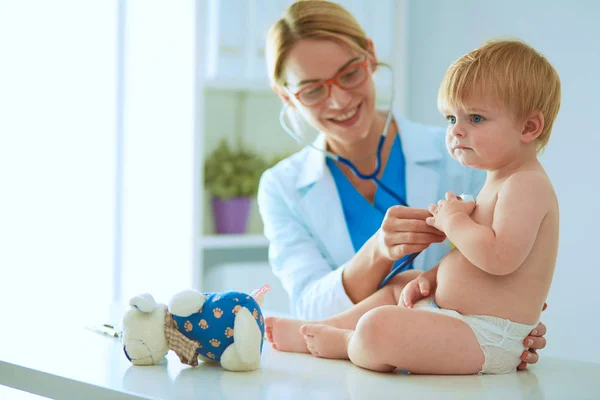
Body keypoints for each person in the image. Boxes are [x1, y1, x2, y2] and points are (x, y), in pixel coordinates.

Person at [257, 0, 546, 369]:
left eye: (349, 74)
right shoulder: (281, 188)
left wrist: (517, 318)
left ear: (371, 57)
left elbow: (509, 255)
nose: (340, 99)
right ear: (287, 98)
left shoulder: (470, 154)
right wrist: (378, 251)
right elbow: (310, 309)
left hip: (452, 363)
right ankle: (352, 339)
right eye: (312, 90)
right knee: (392, 296)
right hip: (352, 377)